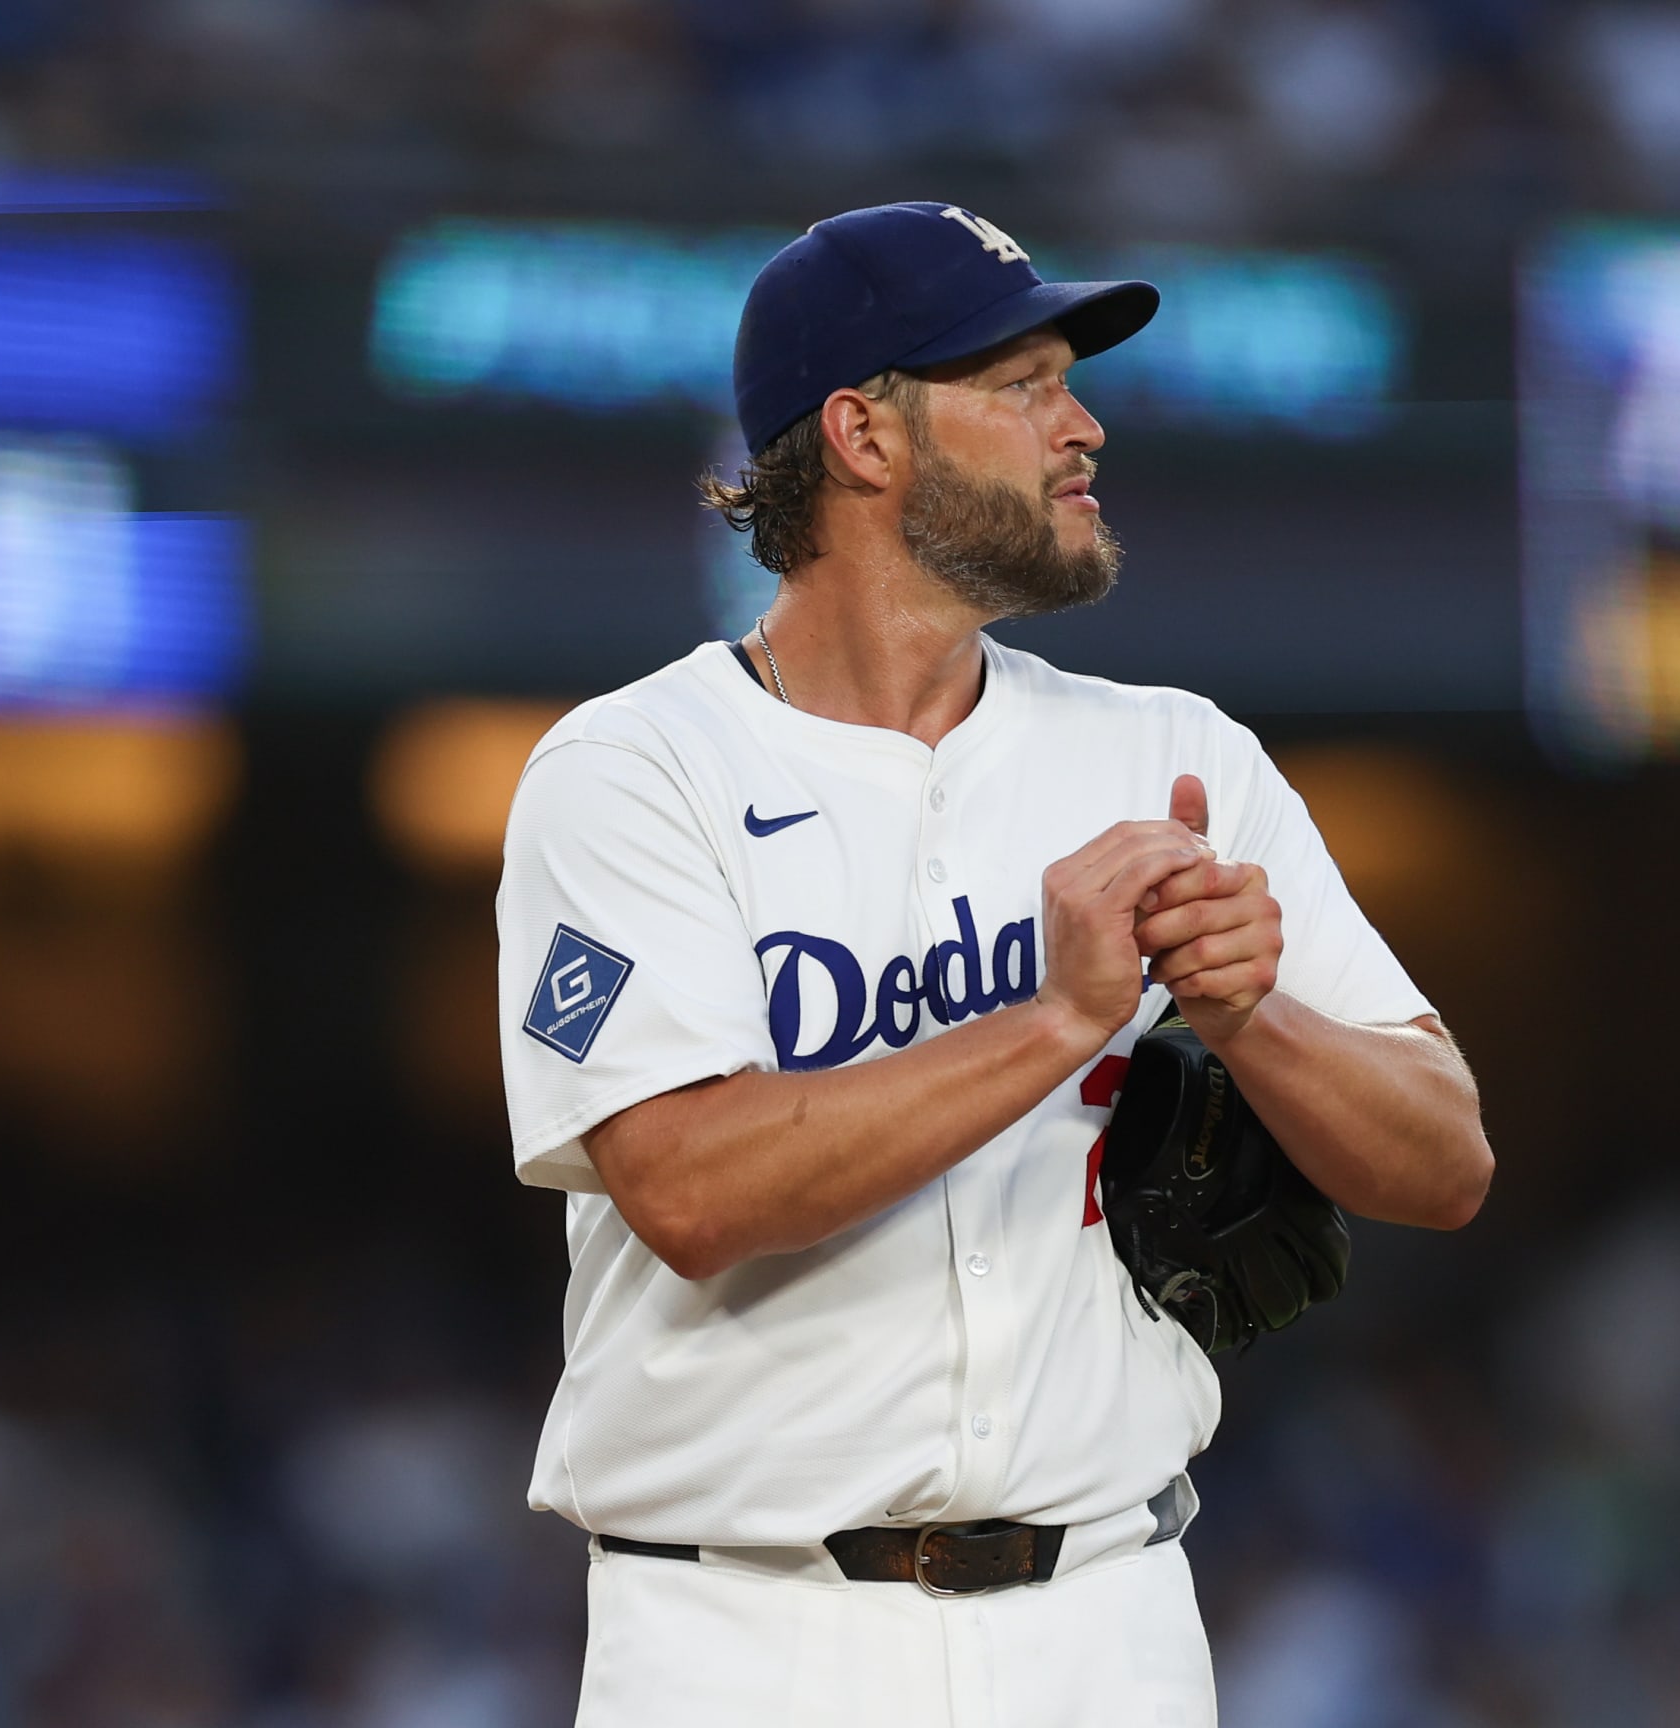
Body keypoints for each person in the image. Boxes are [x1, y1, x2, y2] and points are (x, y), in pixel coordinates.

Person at [493, 200, 1493, 1726]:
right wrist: (1058, 1020)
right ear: (863, 436)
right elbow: (687, 1191)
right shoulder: (639, 769)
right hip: (745, 1632)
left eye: (1067, 386)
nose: (1081, 427)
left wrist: (1252, 1017)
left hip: (1105, 1623)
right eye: (1022, 387)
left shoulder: (1171, 756)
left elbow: (1446, 1161)